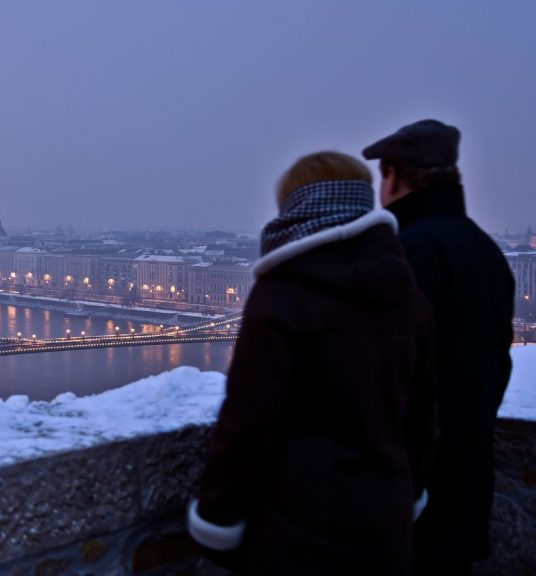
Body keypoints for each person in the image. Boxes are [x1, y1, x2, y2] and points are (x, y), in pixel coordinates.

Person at [187, 151, 438, 575]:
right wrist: (408, 493)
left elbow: (248, 424)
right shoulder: (408, 295)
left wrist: (216, 519)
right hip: (386, 519)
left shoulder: (283, 294)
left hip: (297, 523)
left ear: (294, 207)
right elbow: (423, 416)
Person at [362, 120, 515, 574]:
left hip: (411, 486)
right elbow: (496, 365)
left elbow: (385, 377)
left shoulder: (406, 252)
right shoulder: (486, 251)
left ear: (394, 177)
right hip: (469, 475)